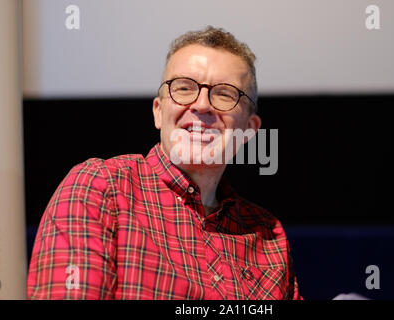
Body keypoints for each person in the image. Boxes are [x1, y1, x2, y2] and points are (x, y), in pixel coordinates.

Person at [27, 26, 301, 300]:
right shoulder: (101, 188)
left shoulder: (268, 234)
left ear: (250, 130)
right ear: (159, 113)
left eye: (224, 94)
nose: (202, 105)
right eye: (184, 88)